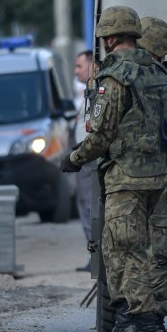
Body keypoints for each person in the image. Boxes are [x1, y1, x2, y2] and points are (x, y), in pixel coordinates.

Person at [60, 5, 167, 332]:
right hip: (160, 179)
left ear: (109, 38)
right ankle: (137, 328)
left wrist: (73, 158)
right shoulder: (157, 75)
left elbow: (101, 136)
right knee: (160, 254)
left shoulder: (113, 78)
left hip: (126, 180)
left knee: (129, 255)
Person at [72, 50, 95, 272]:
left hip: (87, 155)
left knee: (88, 203)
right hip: (84, 154)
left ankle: (95, 253)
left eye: (79, 66)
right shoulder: (87, 91)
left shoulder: (97, 91)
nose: (75, 71)